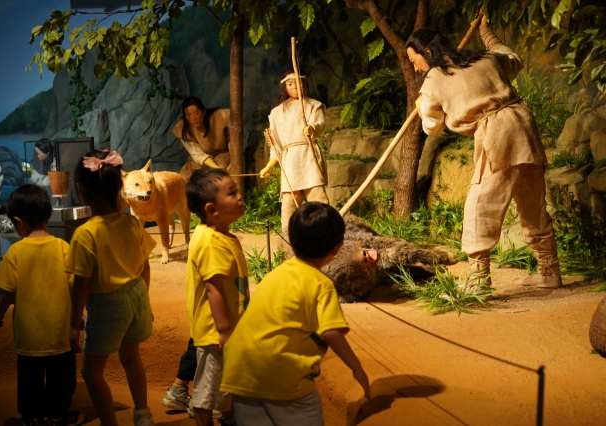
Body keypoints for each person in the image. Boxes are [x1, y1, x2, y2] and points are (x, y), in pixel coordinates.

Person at [406, 15, 561, 289]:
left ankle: (479, 279)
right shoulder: (483, 58)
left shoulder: (433, 80)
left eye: (414, 61)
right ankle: (549, 270)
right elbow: (513, 58)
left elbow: (433, 127)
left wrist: (421, 104)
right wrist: (487, 33)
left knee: (480, 205)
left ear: (427, 53)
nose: (415, 68)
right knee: (532, 201)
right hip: (524, 126)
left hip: (498, 135)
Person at [220, 202, 370, 426]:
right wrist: (357, 368)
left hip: (240, 372)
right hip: (283, 378)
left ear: (291, 241)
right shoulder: (321, 284)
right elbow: (331, 333)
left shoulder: (275, 274)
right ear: (337, 248)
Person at [66, 150, 157, 426]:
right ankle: (142, 415)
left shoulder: (85, 234)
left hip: (107, 305)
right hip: (137, 295)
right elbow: (145, 267)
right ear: (120, 186)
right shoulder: (131, 222)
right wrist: (145, 302)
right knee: (131, 358)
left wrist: (74, 323)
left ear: (80, 190)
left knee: (92, 372)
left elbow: (80, 285)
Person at [0, 184, 82, 426]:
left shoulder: (16, 251)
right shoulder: (63, 247)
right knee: (61, 379)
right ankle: (58, 415)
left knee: (29, 380)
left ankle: (30, 419)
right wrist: (77, 322)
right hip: (60, 334)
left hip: (29, 336)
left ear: (18, 221)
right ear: (48, 215)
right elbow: (75, 289)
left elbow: (7, 293)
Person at [182, 167, 249, 426]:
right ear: (212, 209)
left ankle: (231, 419)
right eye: (232, 193)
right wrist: (224, 330)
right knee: (205, 394)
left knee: (224, 383)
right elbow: (214, 288)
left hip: (226, 331)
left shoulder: (219, 235)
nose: (240, 196)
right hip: (215, 333)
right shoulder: (211, 242)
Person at [260, 68, 329, 234]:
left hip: (309, 156)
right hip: (290, 160)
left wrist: (312, 129)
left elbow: (318, 124)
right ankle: (289, 241)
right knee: (289, 205)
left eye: (298, 82)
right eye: (290, 84)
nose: (295, 87)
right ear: (284, 87)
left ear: (304, 83)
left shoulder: (313, 105)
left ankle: (327, 233)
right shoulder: (276, 113)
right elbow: (275, 144)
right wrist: (269, 166)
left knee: (319, 199)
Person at [172, 96, 231, 181]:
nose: (193, 118)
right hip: (201, 160)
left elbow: (232, 141)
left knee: (219, 177)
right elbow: (197, 154)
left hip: (222, 153)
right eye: (189, 115)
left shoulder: (220, 117)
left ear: (203, 111)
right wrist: (216, 167)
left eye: (196, 113)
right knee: (181, 181)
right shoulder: (183, 129)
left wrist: (220, 168)